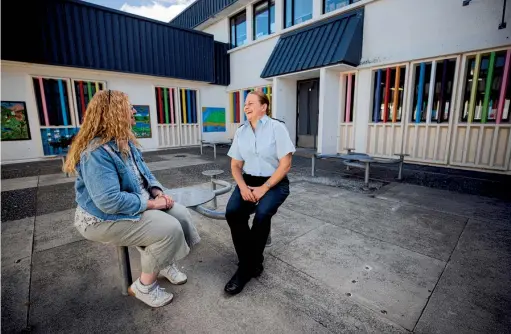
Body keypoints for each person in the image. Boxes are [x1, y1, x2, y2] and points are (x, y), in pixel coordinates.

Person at [63, 90, 200, 308]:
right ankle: (144, 287)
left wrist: (157, 192)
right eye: (130, 106)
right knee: (169, 228)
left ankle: (162, 262)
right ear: (113, 112)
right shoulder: (95, 152)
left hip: (136, 203)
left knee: (181, 214)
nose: (134, 110)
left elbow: (146, 174)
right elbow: (109, 202)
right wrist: (153, 204)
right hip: (103, 218)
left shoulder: (125, 141)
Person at [224, 90, 296, 295]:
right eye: (245, 104)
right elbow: (235, 165)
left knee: (262, 215)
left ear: (264, 107)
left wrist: (265, 188)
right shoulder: (241, 132)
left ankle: (244, 269)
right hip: (248, 180)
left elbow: (286, 164)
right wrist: (244, 188)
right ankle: (253, 262)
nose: (246, 107)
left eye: (250, 103)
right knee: (233, 213)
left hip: (274, 181)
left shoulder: (277, 128)